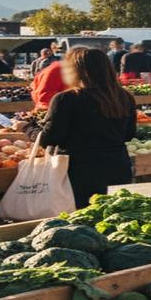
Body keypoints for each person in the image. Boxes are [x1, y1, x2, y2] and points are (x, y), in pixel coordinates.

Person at [35, 48, 137, 209]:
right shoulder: (125, 97)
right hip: (118, 167)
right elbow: (129, 134)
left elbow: (51, 138)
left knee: (83, 221)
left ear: (77, 71)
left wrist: (26, 128)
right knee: (113, 219)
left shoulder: (66, 99)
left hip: (80, 171)